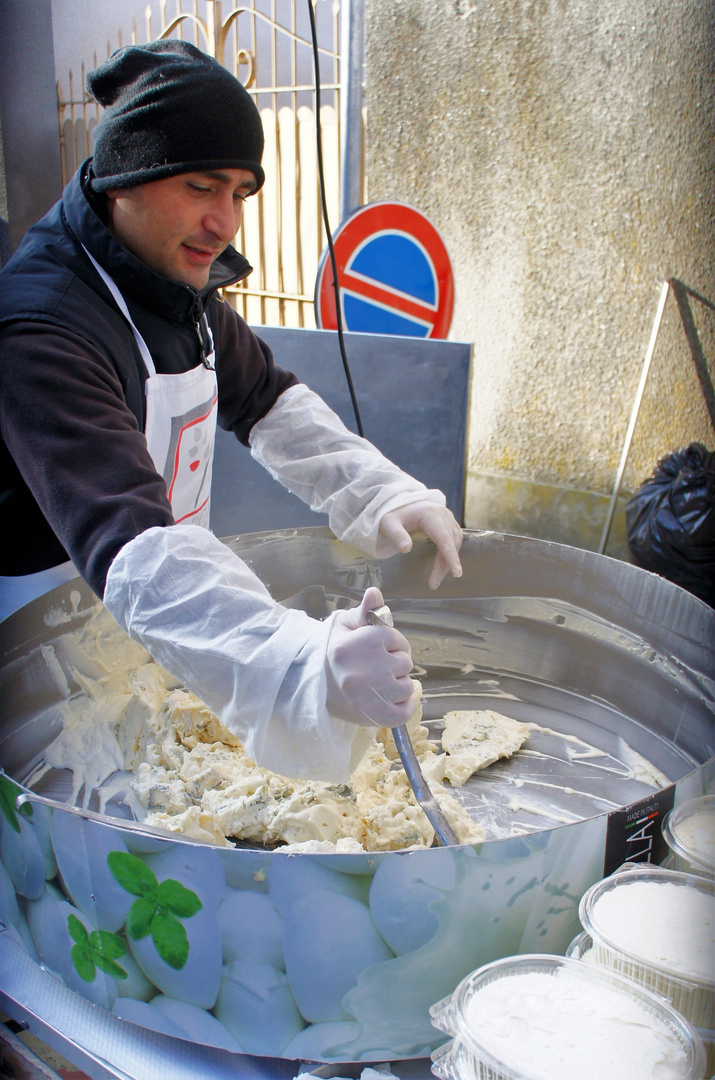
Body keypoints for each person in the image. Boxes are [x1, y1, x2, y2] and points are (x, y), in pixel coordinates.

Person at [0, 40, 463, 782]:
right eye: (201, 186)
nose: (225, 223)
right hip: (43, 659)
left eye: (241, 192)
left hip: (165, 620)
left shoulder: (172, 286)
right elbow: (136, 546)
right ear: (126, 178)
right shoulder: (41, 330)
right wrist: (300, 667)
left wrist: (379, 490)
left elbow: (267, 400)